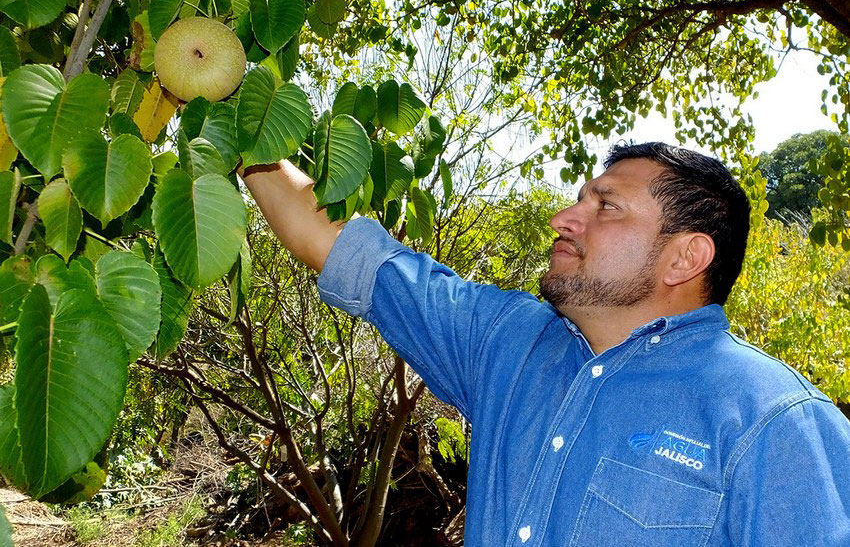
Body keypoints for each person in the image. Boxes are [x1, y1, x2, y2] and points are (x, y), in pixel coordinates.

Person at [240, 141, 850, 546]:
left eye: (606, 206)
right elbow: (338, 246)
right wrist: (238, 110)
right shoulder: (507, 343)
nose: (564, 217)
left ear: (686, 256)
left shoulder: (775, 422)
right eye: (580, 197)